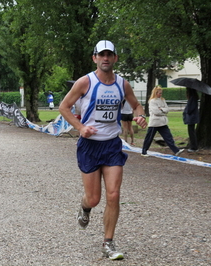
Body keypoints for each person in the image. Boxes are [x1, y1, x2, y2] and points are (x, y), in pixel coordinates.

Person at [58, 40, 147, 260]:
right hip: (89, 146)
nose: (105, 58)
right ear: (94, 58)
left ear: (115, 58)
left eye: (110, 54)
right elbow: (64, 107)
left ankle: (108, 242)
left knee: (114, 194)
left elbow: (136, 105)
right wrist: (80, 127)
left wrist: (141, 115)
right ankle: (85, 207)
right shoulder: (84, 82)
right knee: (94, 198)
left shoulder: (122, 84)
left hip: (111, 145)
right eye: (101, 54)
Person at [141, 85, 184, 157]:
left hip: (162, 122)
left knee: (168, 137)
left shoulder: (162, 100)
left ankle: (176, 150)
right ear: (155, 93)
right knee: (149, 138)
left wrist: (161, 109)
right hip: (154, 123)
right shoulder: (152, 101)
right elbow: (156, 112)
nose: (160, 94)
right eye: (159, 93)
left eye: (161, 93)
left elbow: (167, 109)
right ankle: (144, 151)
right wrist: (162, 110)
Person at [183, 88, 199, 152]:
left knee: (191, 132)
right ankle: (193, 146)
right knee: (191, 132)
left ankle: (194, 147)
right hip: (192, 117)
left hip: (191, 118)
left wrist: (186, 110)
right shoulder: (193, 98)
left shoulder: (192, 98)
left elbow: (190, 109)